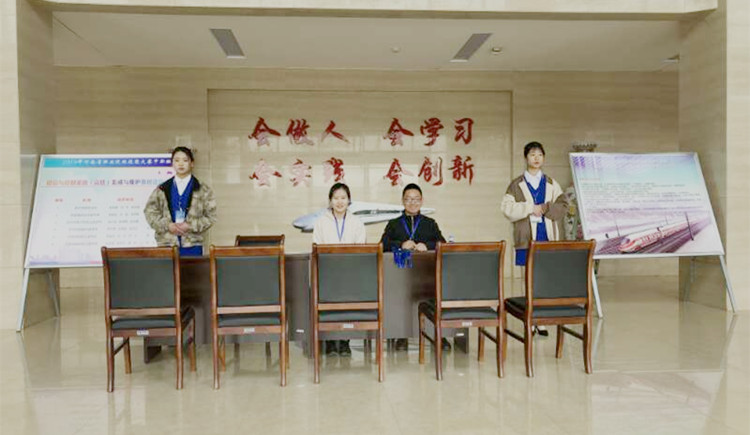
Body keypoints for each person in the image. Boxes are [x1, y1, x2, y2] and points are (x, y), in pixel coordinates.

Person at [501, 141, 568, 336]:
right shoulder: (516, 184)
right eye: (532, 154)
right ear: (526, 158)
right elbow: (507, 208)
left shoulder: (551, 184)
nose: (536, 158)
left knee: (544, 277)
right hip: (526, 237)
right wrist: (530, 208)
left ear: (544, 158)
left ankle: (541, 319)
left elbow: (563, 206)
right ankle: (530, 319)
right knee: (528, 278)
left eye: (539, 154)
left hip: (547, 236)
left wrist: (546, 208)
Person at [380, 183, 450, 351]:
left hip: (426, 275)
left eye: (416, 199)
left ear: (422, 201)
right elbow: (382, 245)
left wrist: (428, 245)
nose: (412, 203)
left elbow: (442, 243)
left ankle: (439, 335)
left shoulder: (430, 223)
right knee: (398, 296)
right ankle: (401, 335)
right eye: (408, 199)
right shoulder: (394, 224)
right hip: (400, 274)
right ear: (403, 201)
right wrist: (401, 244)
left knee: (437, 292)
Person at [313, 183, 366, 357]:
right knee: (328, 306)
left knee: (347, 306)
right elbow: (316, 248)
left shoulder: (357, 222)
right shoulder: (321, 222)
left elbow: (361, 249)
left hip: (350, 273)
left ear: (349, 200)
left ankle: (344, 341)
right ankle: (329, 341)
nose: (340, 201)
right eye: (336, 198)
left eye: (343, 198)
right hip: (327, 273)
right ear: (330, 201)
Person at [144, 146, 217, 256]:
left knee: (192, 268)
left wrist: (190, 226)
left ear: (192, 163)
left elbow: (211, 217)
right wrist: (167, 225)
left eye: (185, 160)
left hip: (192, 244)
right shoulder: (162, 188)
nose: (181, 164)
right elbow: (149, 212)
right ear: (172, 163)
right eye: (177, 160)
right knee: (167, 268)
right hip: (167, 243)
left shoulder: (203, 189)